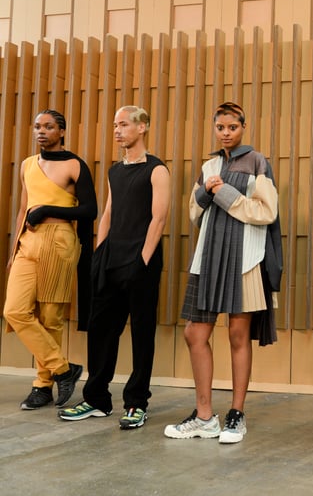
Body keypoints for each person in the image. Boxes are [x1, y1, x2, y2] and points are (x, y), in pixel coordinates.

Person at [164, 102, 282, 444]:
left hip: (244, 258)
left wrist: (222, 191)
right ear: (214, 128)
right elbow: (193, 213)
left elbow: (267, 211)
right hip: (209, 257)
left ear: (243, 126)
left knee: (237, 335)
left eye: (232, 126)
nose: (226, 132)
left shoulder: (258, 161)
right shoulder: (209, 164)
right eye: (220, 127)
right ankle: (204, 416)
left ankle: (236, 415)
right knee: (194, 334)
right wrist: (204, 190)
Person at [58, 106, 171, 430]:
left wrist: (143, 259)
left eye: (124, 124)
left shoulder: (157, 169)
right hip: (110, 259)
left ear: (143, 127)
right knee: (101, 330)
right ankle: (96, 400)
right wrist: (99, 253)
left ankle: (136, 403)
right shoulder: (115, 170)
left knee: (141, 334)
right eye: (115, 125)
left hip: (141, 262)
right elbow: (108, 212)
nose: (117, 130)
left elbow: (159, 218)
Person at [4, 109, 96, 410]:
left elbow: (89, 211)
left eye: (48, 127)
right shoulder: (28, 165)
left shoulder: (75, 165)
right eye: (37, 127)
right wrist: (14, 247)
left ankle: (42, 386)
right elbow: (23, 208)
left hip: (59, 240)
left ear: (62, 131)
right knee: (15, 311)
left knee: (51, 317)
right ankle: (63, 369)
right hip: (27, 242)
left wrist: (47, 211)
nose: (41, 131)